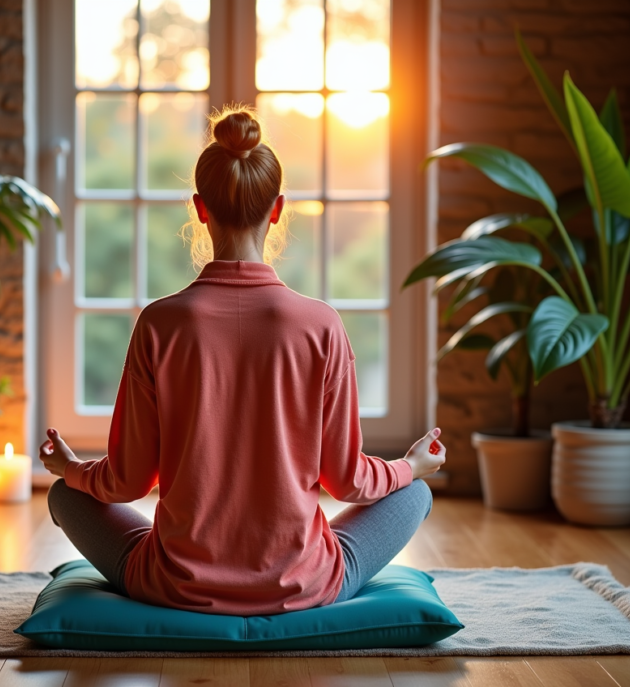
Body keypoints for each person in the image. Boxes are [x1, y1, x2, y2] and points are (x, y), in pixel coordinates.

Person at [39, 106, 446, 616]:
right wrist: (412, 465)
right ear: (277, 210)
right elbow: (350, 483)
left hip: (174, 586)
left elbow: (125, 483)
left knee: (65, 496)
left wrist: (71, 469)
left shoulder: (159, 323)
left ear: (199, 209)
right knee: (415, 495)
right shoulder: (321, 324)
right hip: (303, 586)